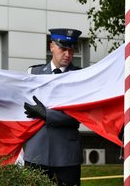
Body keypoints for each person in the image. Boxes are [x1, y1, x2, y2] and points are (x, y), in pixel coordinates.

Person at [23, 28, 83, 186]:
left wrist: (46, 114)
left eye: (71, 50)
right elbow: (12, 96)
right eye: (63, 49)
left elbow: (79, 114)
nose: (68, 54)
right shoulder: (33, 72)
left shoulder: (80, 76)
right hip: (36, 150)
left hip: (66, 154)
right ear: (51, 47)